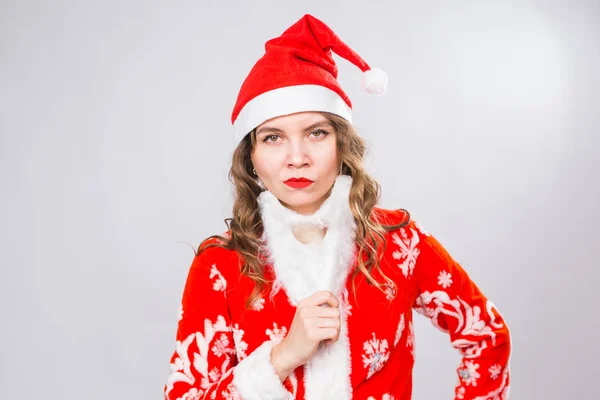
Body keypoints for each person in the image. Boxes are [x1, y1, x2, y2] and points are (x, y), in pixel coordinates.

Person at [163, 13, 511, 400]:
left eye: (316, 133)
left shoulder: (400, 244)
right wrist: (282, 357)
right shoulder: (221, 265)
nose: (297, 158)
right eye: (274, 137)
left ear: (341, 144)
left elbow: (485, 334)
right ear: (251, 157)